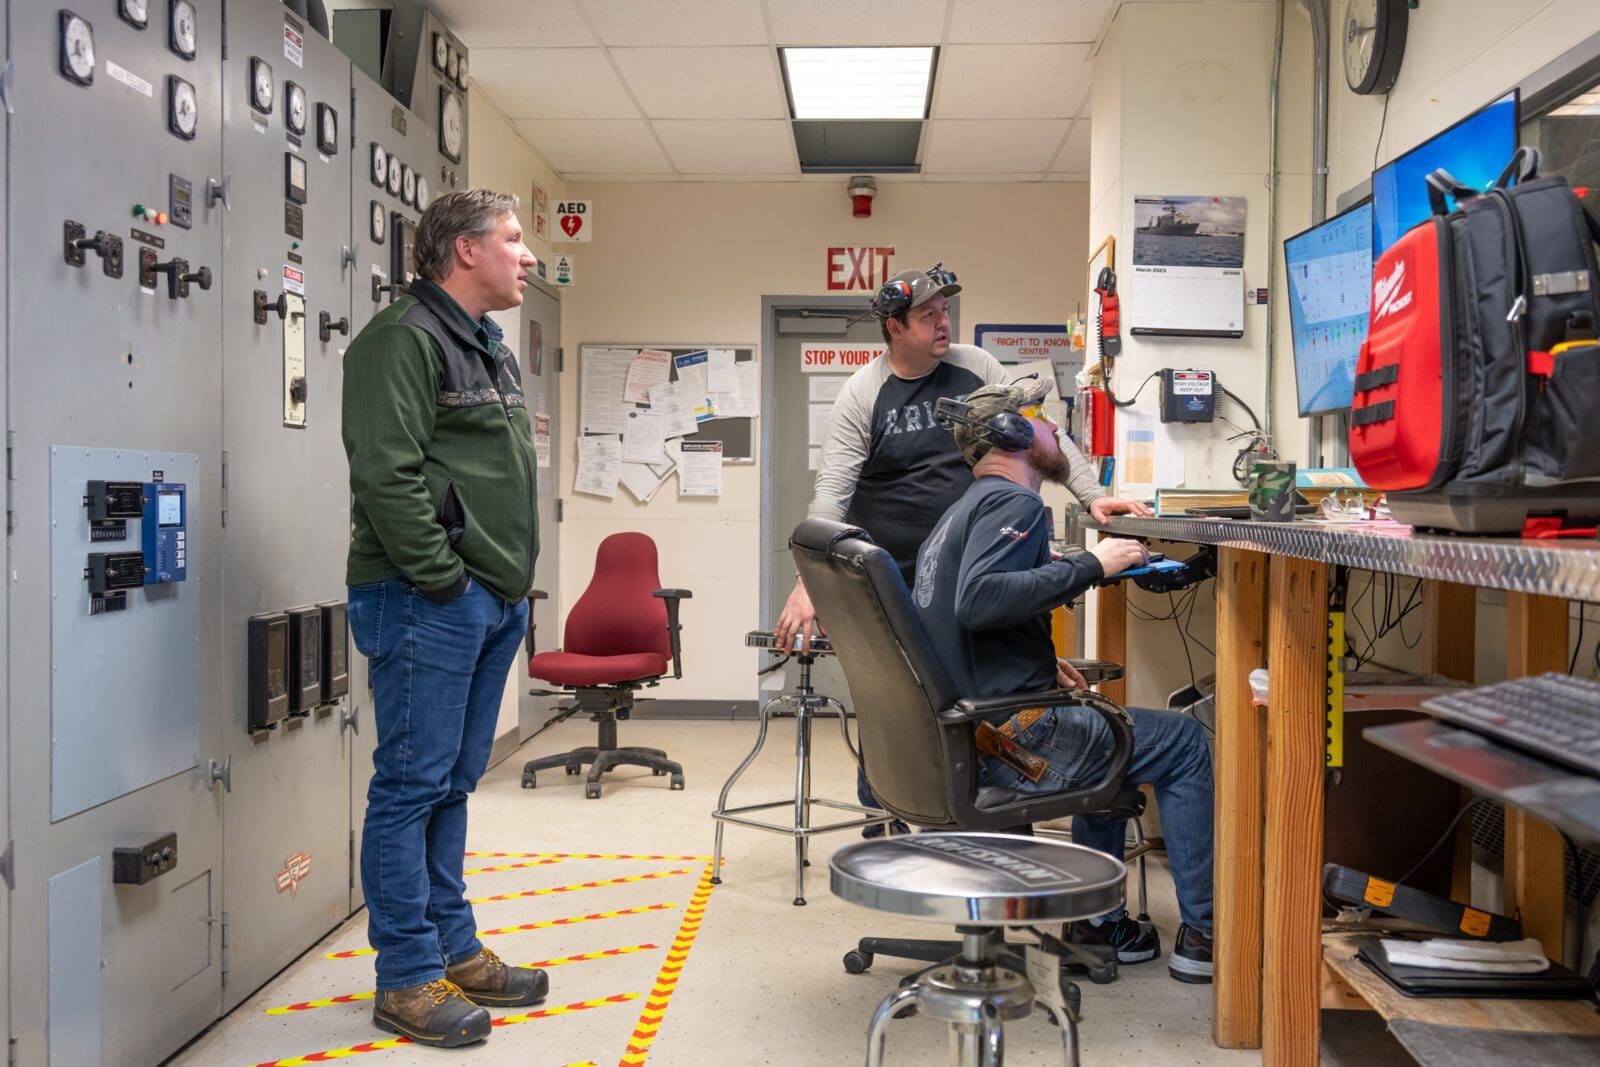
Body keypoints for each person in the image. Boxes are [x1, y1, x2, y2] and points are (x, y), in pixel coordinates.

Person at [772, 263, 1151, 831]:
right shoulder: (864, 393)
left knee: (966, 695)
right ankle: (894, 813)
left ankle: (982, 811)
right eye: (927, 316)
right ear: (894, 327)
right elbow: (832, 493)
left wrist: (1093, 497)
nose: (943, 323)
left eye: (944, 310)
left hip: (967, 566)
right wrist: (810, 584)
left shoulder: (976, 366)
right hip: (894, 580)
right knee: (896, 700)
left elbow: (1038, 428)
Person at [914, 375, 1215, 984]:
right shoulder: (1016, 503)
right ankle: (1205, 935)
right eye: (1047, 422)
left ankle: (1098, 925)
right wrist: (1091, 563)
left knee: (1103, 731)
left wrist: (1033, 660)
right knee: (1183, 744)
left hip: (965, 734)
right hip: (1012, 743)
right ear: (1016, 431)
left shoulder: (958, 514)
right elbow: (976, 602)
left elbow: (952, 622)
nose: (1057, 432)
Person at [342, 189, 546, 1047]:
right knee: (410, 785)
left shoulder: (486, 345)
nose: (527, 254)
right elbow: (386, 478)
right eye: (511, 237)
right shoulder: (401, 340)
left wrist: (493, 594)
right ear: (462, 250)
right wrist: (444, 584)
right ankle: (405, 976)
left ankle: (451, 948)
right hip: (430, 598)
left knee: (451, 782)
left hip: (487, 600)